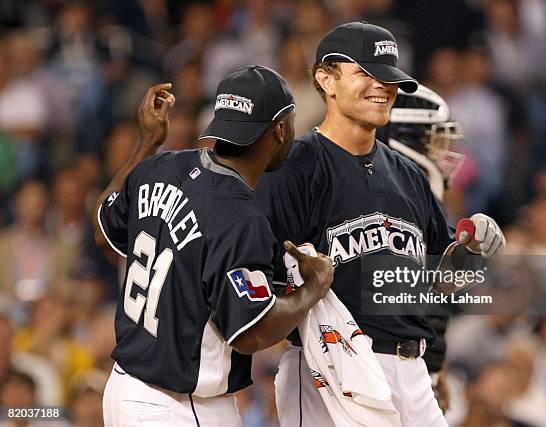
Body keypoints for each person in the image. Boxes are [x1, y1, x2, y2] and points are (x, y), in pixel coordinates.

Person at [255, 22, 506, 426]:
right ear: (326, 79)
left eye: (388, 77)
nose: (382, 87)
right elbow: (259, 276)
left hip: (413, 369)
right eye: (366, 74)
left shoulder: (409, 175)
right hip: (334, 366)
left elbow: (440, 282)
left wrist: (471, 253)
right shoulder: (294, 168)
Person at [92, 67, 334, 426]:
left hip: (123, 390)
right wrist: (314, 287)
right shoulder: (240, 217)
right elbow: (252, 333)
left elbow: (102, 230)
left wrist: (147, 143)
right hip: (179, 405)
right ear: (280, 129)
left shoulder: (158, 166)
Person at [379, 84, 466, 414]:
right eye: (433, 140)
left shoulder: (416, 195)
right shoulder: (396, 198)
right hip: (379, 361)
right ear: (406, 139)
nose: (444, 152)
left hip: (405, 362)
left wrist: (433, 365)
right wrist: (429, 368)